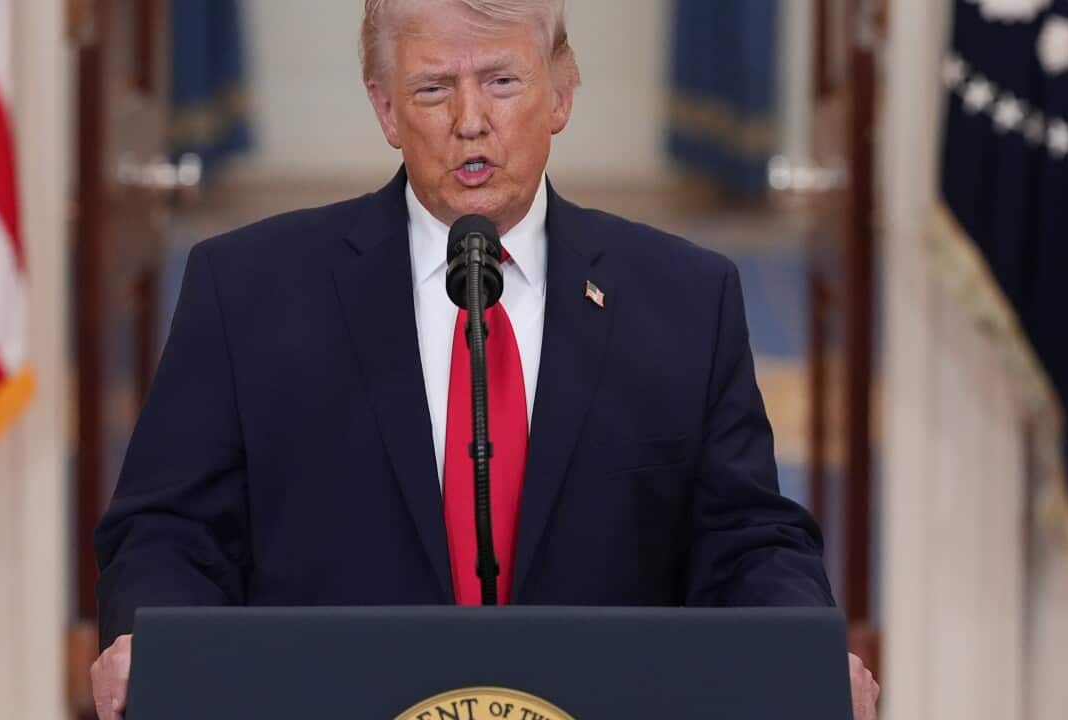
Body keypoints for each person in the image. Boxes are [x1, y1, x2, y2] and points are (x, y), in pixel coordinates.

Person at [91, 1, 881, 718]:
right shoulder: (250, 292)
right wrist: (149, 646)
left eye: (502, 81)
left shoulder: (683, 299)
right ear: (385, 108)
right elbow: (168, 532)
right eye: (434, 89)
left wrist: (799, 652)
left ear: (562, 92)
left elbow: (746, 540)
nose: (471, 120)